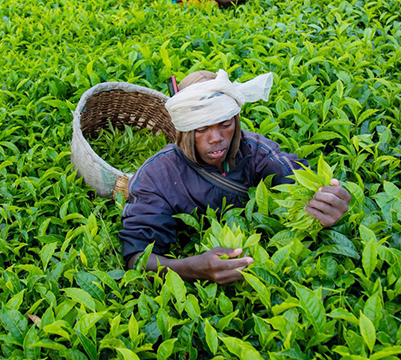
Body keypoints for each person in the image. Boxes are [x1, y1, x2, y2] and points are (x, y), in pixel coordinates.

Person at [119, 70, 352, 284]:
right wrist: (191, 268)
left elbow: (294, 176)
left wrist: (325, 200)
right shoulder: (157, 175)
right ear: (184, 130)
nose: (216, 138)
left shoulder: (256, 151)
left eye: (225, 124)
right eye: (201, 129)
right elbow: (138, 258)